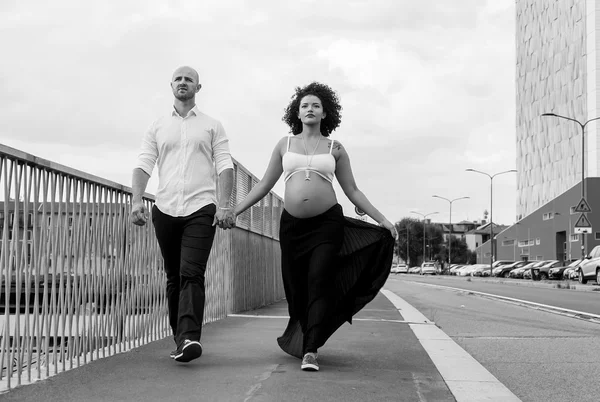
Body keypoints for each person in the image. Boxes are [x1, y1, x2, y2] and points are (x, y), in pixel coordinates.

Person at [229, 82, 397, 372]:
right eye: (305, 105)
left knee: (319, 281)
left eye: (315, 106)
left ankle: (310, 349)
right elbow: (265, 185)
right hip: (292, 227)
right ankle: (303, 331)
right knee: (296, 289)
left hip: (327, 225)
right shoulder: (285, 144)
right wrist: (234, 211)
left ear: (324, 113)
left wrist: (382, 219)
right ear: (297, 112)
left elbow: (353, 191)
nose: (310, 109)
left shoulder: (336, 147)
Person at [130, 66, 235, 363]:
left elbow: (224, 165)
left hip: (201, 208)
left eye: (189, 79)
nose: (183, 82)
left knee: (191, 273)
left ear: (198, 88)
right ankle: (181, 340)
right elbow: (144, 163)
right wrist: (137, 200)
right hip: (164, 209)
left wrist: (224, 205)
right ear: (171, 86)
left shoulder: (212, 125)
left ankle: (189, 337)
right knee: (174, 276)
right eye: (178, 78)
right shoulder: (158, 125)